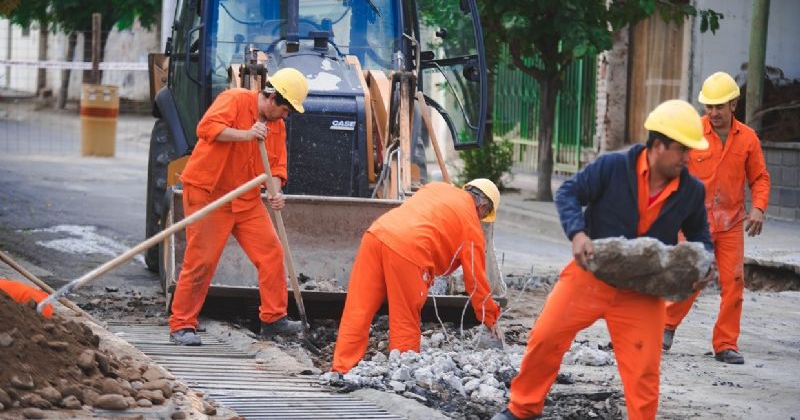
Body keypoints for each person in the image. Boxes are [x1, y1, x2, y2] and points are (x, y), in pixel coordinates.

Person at [492, 100, 714, 420]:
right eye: (682, 149)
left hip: (642, 289)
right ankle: (522, 409)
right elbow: (569, 192)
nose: (687, 157)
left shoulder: (691, 190)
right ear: (658, 145)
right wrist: (578, 233)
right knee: (545, 337)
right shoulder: (612, 167)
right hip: (590, 275)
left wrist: (704, 264)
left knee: (644, 370)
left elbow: (700, 236)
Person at [168, 67, 309, 346]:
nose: (286, 116)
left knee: (271, 253)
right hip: (210, 195)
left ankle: (273, 319)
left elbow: (277, 169)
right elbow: (205, 129)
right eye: (286, 109)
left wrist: (275, 193)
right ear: (272, 98)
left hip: (245, 199)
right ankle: (182, 325)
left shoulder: (277, 127)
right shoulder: (234, 99)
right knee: (201, 262)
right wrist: (247, 134)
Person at [331, 179, 503, 374]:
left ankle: (341, 368)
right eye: (484, 216)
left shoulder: (437, 187)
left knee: (358, 308)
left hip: (377, 234)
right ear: (482, 207)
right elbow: (476, 280)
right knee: (405, 318)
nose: (481, 220)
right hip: (410, 250)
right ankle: (402, 375)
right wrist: (490, 316)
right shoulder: (471, 225)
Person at [663, 72, 771, 364]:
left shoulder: (748, 139)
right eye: (708, 107)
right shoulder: (692, 134)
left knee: (734, 282)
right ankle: (665, 325)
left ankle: (725, 344)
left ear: (733, 104)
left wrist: (758, 208)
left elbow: (759, 177)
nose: (713, 113)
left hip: (732, 223)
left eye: (719, 106)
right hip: (695, 222)